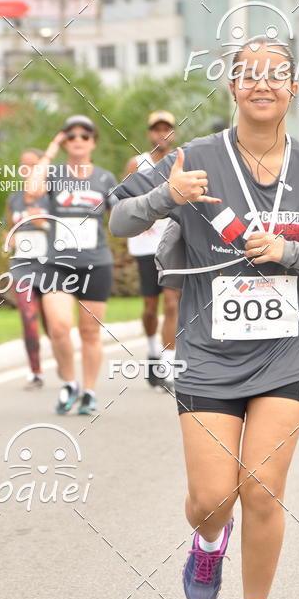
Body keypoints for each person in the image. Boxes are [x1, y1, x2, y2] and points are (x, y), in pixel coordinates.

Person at [110, 36, 299, 599]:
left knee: (261, 486)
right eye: (248, 75)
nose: (262, 84)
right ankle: (206, 543)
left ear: (293, 88)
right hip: (206, 351)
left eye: (275, 76)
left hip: (287, 353)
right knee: (211, 498)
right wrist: (164, 197)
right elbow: (118, 221)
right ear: (231, 86)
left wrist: (292, 253)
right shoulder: (193, 155)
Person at [27, 115, 117, 415]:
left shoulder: (104, 178)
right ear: (65, 141)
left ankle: (89, 391)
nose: (78, 140)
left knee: (90, 332)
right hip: (58, 265)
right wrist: (51, 148)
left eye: (85, 135)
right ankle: (69, 383)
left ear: (93, 142)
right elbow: (31, 190)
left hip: (95, 263)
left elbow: (121, 214)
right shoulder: (53, 173)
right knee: (59, 327)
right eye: (71, 136)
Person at [122, 110, 181, 390]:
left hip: (170, 242)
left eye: (167, 129)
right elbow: (121, 200)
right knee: (150, 307)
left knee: (172, 303)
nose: (162, 134)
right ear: (149, 134)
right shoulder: (137, 163)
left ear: (173, 134)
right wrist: (139, 218)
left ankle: (168, 367)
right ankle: (152, 351)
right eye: (156, 129)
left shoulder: (181, 162)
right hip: (144, 244)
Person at [5, 148, 49, 389]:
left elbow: (65, 232)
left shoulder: (52, 196)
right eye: (24, 166)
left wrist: (43, 224)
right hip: (22, 265)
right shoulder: (14, 198)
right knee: (28, 317)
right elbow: (9, 227)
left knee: (53, 324)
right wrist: (9, 238)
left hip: (51, 266)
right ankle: (36, 371)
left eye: (33, 165)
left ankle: (65, 366)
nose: (27, 170)